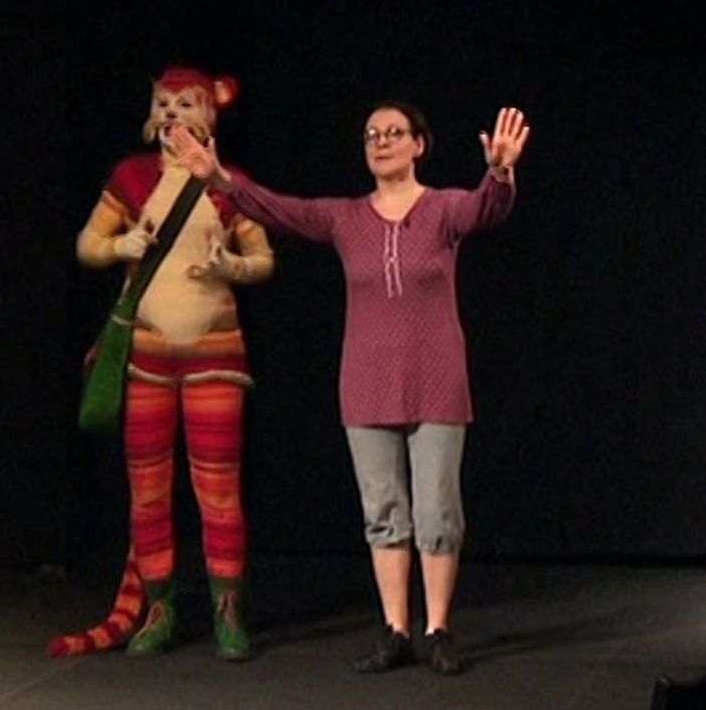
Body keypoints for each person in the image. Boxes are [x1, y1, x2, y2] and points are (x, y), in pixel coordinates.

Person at [169, 101, 530, 675]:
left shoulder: (443, 210)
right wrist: (218, 178)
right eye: (371, 135)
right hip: (366, 381)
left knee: (437, 511)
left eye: (394, 133)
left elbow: (488, 206)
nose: (381, 142)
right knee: (383, 510)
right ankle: (395, 629)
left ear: (419, 145)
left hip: (436, 379)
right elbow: (279, 209)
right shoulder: (345, 218)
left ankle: (437, 629)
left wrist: (500, 170)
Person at [48, 66, 276, 661]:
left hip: (214, 355)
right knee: (148, 490)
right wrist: (119, 246)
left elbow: (264, 259)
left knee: (218, 489)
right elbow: (87, 244)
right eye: (164, 103)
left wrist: (230, 266)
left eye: (185, 104)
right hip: (147, 355)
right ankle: (159, 608)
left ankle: (228, 609)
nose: (172, 114)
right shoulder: (133, 177)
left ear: (209, 114)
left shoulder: (228, 184)